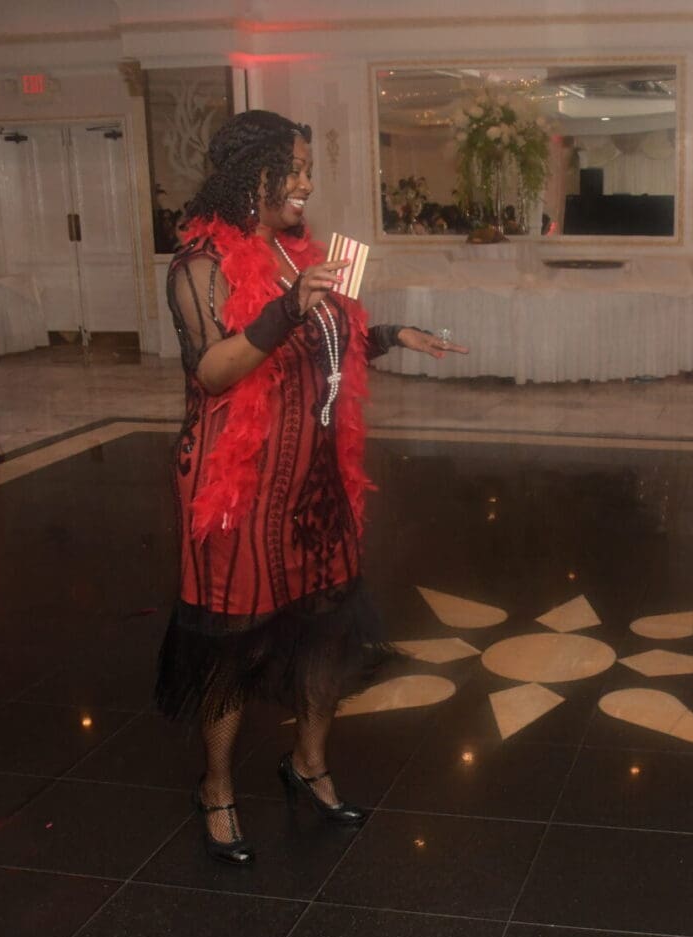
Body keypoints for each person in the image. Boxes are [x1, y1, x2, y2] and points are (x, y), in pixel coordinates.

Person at [158, 110, 467, 865]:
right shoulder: (200, 263)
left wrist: (392, 336)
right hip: (241, 487)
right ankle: (218, 788)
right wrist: (281, 312)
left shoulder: (304, 253)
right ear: (249, 173)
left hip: (316, 480)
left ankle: (310, 765)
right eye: (291, 168)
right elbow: (212, 372)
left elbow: (334, 337)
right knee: (230, 645)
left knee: (328, 632)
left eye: (306, 167)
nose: (304, 182)